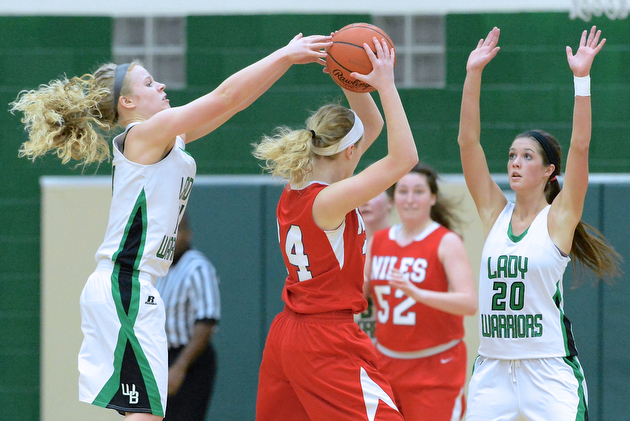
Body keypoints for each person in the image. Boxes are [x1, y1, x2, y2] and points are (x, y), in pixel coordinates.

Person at [10, 32, 331, 420]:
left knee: (144, 413)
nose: (161, 85)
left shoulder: (166, 138)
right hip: (125, 283)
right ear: (127, 102)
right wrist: (284, 55)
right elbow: (223, 97)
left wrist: (283, 64)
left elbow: (231, 105)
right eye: (149, 82)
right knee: (147, 414)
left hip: (132, 286)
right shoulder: (144, 135)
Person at [458, 27, 621, 421]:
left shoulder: (560, 218)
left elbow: (580, 145)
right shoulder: (493, 213)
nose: (515, 162)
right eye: (512, 155)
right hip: (493, 368)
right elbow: (468, 143)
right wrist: (472, 74)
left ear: (550, 170)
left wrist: (581, 79)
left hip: (548, 369)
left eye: (527, 156)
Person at [252, 36, 418, 421]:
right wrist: (386, 84)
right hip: (325, 338)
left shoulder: (298, 183)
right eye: (359, 149)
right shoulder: (330, 200)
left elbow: (371, 125)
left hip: (287, 334)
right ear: (348, 152)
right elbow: (405, 156)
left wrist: (347, 76)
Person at [364, 162, 477, 420]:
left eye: (418, 191)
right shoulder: (378, 241)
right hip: (386, 365)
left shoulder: (446, 241)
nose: (410, 199)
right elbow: (359, 295)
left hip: (435, 367)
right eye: (403, 191)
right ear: (393, 199)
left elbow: (469, 303)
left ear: (432, 198)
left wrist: (418, 294)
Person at [154, 213, 220, 421]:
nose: (171, 238)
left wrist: (179, 368)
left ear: (188, 233)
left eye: (177, 231)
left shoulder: (197, 268)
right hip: (162, 358)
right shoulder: (160, 269)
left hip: (189, 361)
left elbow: (207, 322)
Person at [356, 192, 394, 340]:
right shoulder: (343, 248)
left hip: (396, 343)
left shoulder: (406, 246)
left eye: (374, 193)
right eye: (359, 194)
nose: (364, 201)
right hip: (357, 340)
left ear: (391, 201)